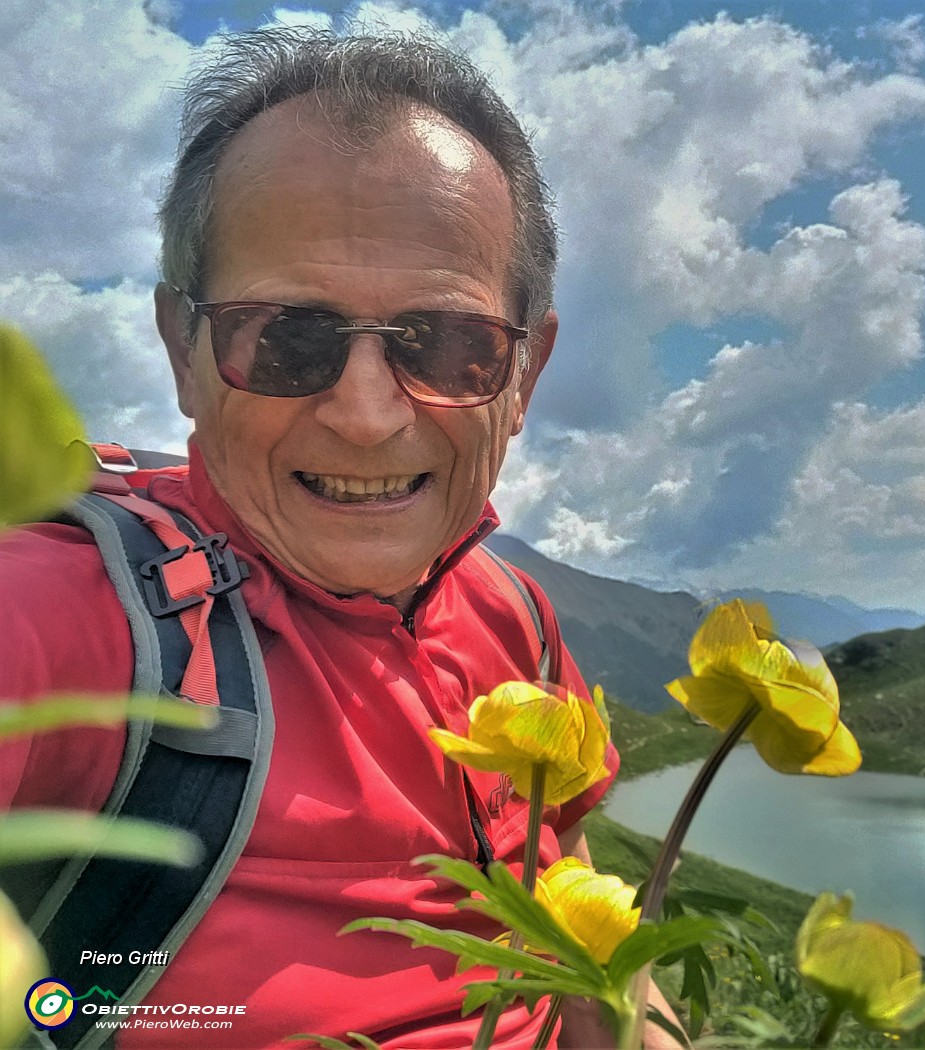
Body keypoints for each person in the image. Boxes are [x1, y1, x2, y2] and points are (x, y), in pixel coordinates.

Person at [0, 26, 680, 1049]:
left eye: (446, 345)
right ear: (183, 353)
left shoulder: (517, 619)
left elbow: (564, 875)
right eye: (286, 338)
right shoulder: (70, 614)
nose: (366, 414)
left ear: (524, 373)